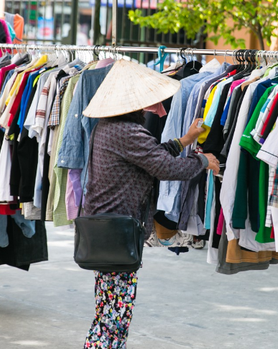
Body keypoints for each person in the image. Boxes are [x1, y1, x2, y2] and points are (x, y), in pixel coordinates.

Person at [81, 59, 219, 349]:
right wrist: (203, 160)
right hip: (116, 235)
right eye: (153, 103)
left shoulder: (109, 128)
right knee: (115, 317)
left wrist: (184, 141)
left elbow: (150, 155)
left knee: (108, 310)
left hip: (105, 231)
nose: (160, 110)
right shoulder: (127, 133)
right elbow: (167, 168)